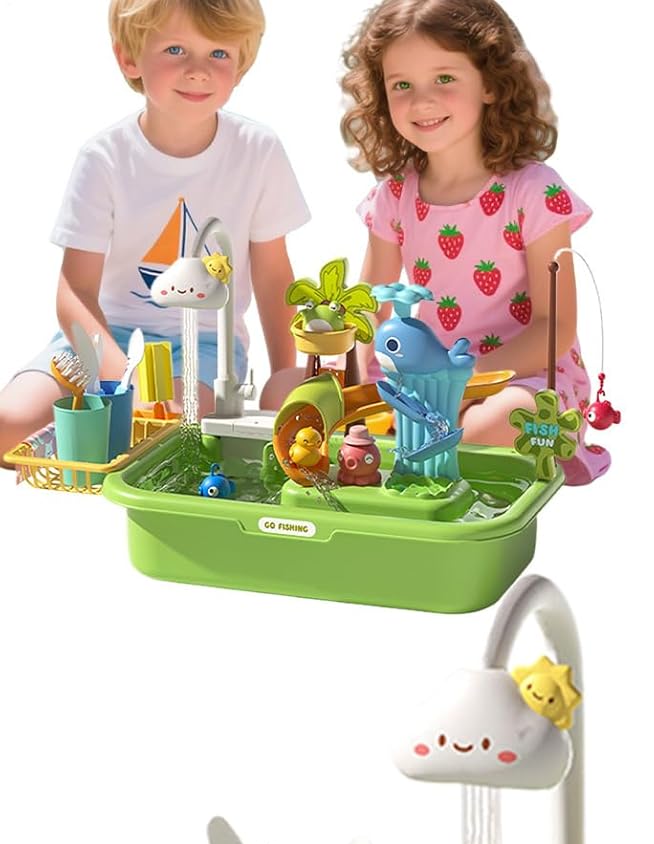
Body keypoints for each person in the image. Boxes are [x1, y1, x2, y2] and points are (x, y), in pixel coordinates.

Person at [0, 0, 310, 464]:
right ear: (129, 58)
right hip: (103, 339)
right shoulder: (103, 158)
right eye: (175, 50)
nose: (198, 71)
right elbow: (74, 293)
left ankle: (103, 447)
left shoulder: (258, 151)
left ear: (241, 65)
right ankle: (94, 444)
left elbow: (272, 277)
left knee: (173, 434)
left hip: (202, 345)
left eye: (219, 54)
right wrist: (123, 380)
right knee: (8, 425)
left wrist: (285, 376)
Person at [343, 0, 609, 483]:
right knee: (318, 403)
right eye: (402, 85)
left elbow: (554, 327)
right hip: (427, 383)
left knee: (496, 422)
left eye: (444, 78)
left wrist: (463, 383)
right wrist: (366, 389)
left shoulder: (534, 191)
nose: (421, 101)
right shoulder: (394, 196)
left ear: (490, 83)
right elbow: (369, 308)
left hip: (524, 382)